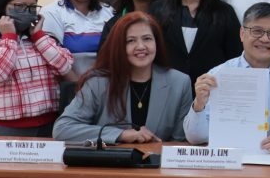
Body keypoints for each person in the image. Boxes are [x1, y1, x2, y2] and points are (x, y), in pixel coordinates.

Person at [185, 3, 270, 151]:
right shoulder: (218, 74)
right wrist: (199, 104)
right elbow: (195, 138)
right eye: (257, 31)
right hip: (229, 159)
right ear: (242, 34)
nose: (265, 39)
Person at [54, 12, 191, 144]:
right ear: (118, 46)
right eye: (131, 41)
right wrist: (120, 135)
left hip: (157, 164)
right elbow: (62, 129)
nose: (141, 46)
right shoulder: (98, 82)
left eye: (147, 39)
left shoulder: (180, 83)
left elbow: (179, 142)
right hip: (111, 165)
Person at [0, 0, 73, 137]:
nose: (26, 12)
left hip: (49, 126)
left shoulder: (40, 41)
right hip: (4, 130)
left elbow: (65, 66)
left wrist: (38, 35)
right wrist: (9, 37)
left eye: (32, 8)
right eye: (19, 7)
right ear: (3, 7)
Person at [149, 0, 243, 89]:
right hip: (166, 93)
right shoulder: (157, 10)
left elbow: (236, 59)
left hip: (212, 95)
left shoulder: (225, 13)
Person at [41, 0, 114, 82]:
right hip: (68, 91)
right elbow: (52, 58)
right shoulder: (50, 13)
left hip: (108, 88)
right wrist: (80, 88)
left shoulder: (110, 12)